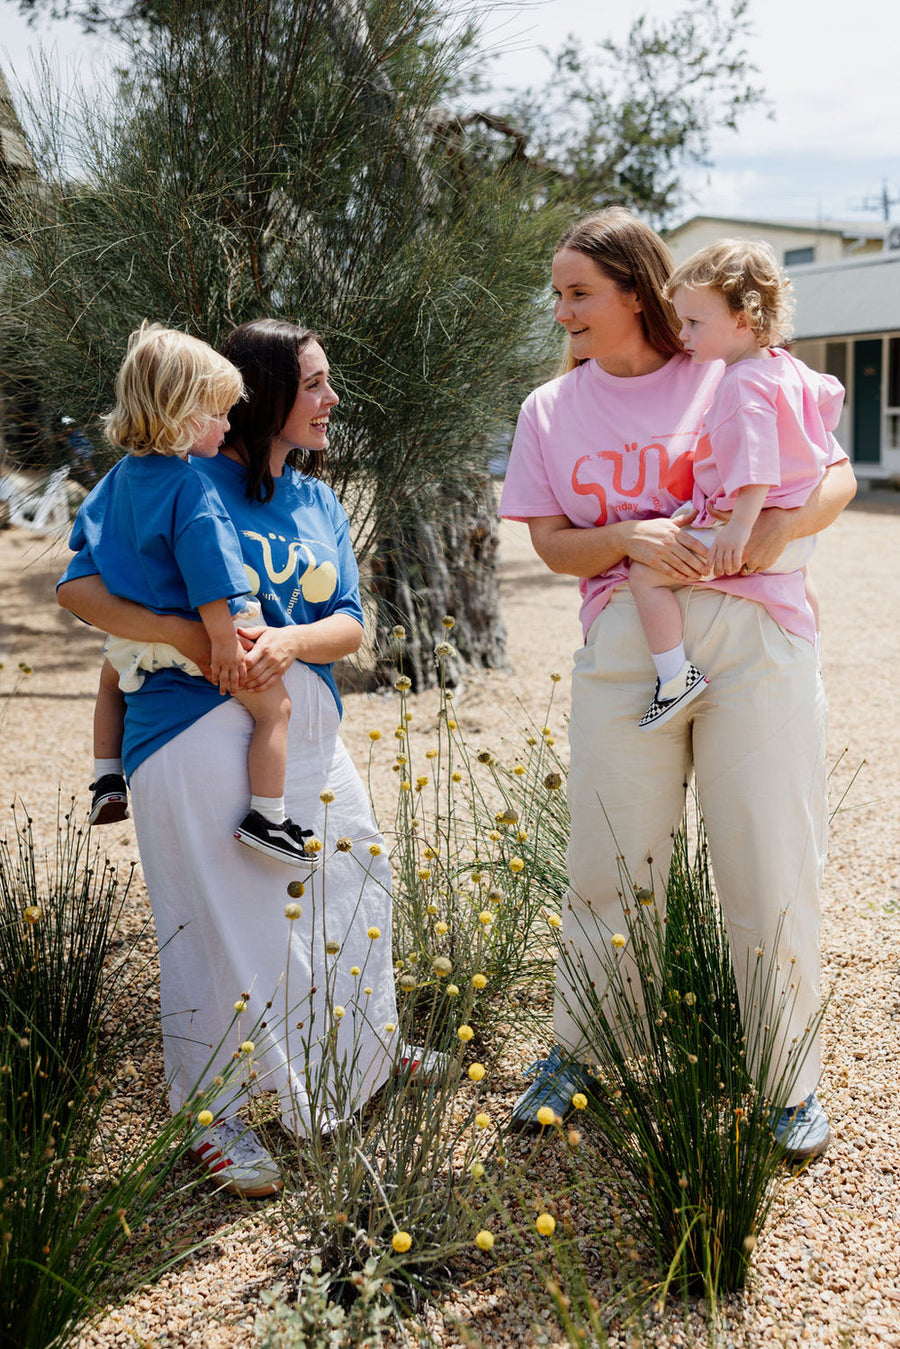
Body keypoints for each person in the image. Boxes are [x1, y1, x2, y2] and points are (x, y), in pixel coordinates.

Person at [498, 208, 856, 1161]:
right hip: (629, 650)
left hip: (758, 637)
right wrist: (628, 537)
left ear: (636, 293)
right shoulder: (548, 410)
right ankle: (581, 1053)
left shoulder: (730, 362)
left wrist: (772, 535)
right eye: (561, 292)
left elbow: (837, 478)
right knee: (609, 862)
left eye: (579, 291)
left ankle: (787, 1084)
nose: (562, 308)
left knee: (768, 858)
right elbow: (549, 544)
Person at [58, 319, 410, 1195]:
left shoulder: (319, 501)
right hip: (192, 724)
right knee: (221, 925)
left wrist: (286, 643)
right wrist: (189, 633)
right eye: (317, 383)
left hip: (302, 727)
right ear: (259, 393)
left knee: (356, 881)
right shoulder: (178, 472)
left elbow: (354, 625)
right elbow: (82, 587)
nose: (332, 400)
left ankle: (363, 1059)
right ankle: (215, 1117)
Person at [74, 322, 312, 867]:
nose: (228, 426)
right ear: (184, 417)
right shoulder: (192, 487)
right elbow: (208, 573)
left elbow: (88, 542)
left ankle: (107, 778)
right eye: (221, 413)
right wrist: (224, 643)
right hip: (201, 629)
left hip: (133, 634)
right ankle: (268, 817)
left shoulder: (118, 478)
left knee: (111, 683)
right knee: (276, 708)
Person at [627, 240, 844, 730]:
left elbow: (756, 465)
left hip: (748, 527)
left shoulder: (740, 383)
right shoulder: (786, 367)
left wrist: (736, 528)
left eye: (694, 323)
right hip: (795, 534)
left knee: (646, 576)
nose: (683, 334)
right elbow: (830, 398)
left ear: (742, 321)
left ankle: (673, 677)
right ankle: (810, 653)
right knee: (800, 581)